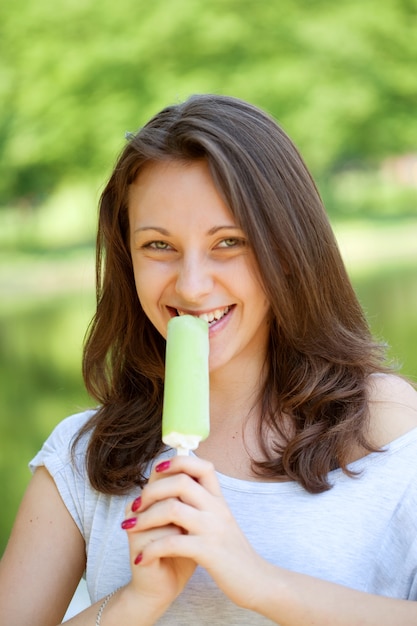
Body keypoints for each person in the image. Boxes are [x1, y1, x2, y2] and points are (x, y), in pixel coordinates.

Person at [1, 94, 417, 626]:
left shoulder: (382, 428)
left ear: (288, 251)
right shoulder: (83, 460)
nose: (192, 285)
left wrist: (261, 584)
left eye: (228, 242)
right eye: (158, 246)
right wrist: (136, 601)